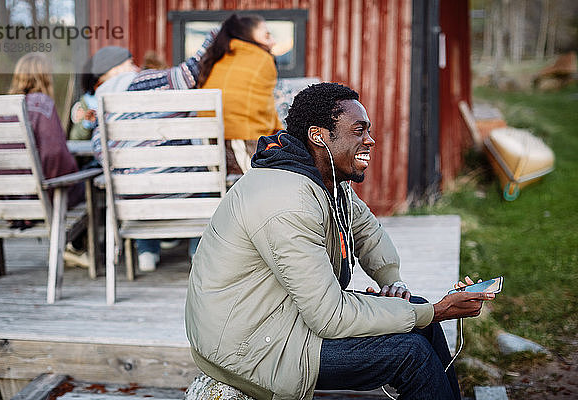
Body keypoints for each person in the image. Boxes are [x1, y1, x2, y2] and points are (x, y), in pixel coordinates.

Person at [185, 83, 494, 399]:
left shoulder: (328, 181)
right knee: (410, 353)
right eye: (358, 131)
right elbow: (329, 317)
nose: (369, 140)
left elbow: (369, 234)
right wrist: (438, 310)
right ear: (319, 136)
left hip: (282, 318)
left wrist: (395, 285)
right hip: (247, 345)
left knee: (416, 315)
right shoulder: (287, 201)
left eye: (368, 131)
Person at [89, 35, 215, 271]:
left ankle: (147, 251)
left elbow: (99, 152)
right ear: (117, 68)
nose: (136, 67)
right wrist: (216, 35)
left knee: (132, 179)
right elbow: (189, 73)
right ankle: (198, 250)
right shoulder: (143, 81)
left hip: (136, 204)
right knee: (205, 174)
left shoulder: (100, 105)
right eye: (130, 63)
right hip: (184, 194)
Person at [0, 53, 83, 225]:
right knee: (88, 186)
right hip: (39, 201)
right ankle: (78, 245)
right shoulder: (42, 103)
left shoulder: (4, 107)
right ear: (45, 77)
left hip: (9, 204)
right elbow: (55, 153)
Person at [198, 13, 283, 180]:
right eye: (267, 36)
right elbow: (265, 111)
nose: (273, 42)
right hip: (241, 145)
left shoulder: (220, 56)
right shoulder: (262, 59)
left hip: (209, 146)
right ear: (247, 36)